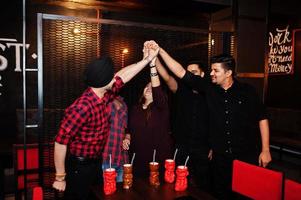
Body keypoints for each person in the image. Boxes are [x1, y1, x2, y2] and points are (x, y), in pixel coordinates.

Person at [152, 42, 272, 200]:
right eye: (211, 69)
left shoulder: (247, 91)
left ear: (228, 73)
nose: (212, 73)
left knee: (244, 194)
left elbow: (262, 118)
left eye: (216, 70)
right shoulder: (209, 88)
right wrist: (159, 50)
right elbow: (180, 71)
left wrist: (265, 149)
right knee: (219, 194)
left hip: (245, 155)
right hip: (219, 158)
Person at [52, 45, 159, 200]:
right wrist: (60, 177)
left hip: (96, 163)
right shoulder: (82, 107)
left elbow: (124, 76)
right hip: (79, 167)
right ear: (103, 80)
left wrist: (146, 60)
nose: (114, 77)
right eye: (111, 75)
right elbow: (60, 142)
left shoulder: (104, 95)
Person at [155, 58, 212, 190]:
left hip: (202, 149)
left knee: (202, 186)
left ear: (202, 74)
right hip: (182, 147)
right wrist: (155, 59)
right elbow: (167, 77)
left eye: (194, 72)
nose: (190, 76)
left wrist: (213, 145)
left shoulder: (211, 93)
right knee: (179, 184)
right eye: (188, 73)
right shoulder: (181, 89)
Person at [129, 41, 174, 178]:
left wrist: (152, 64)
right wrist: (126, 136)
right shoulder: (135, 109)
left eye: (151, 87)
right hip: (138, 158)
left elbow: (156, 88)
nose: (149, 89)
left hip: (157, 158)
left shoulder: (161, 107)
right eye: (146, 87)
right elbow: (130, 129)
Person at [102, 95, 131, 183]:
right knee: (108, 192)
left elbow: (126, 129)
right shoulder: (102, 100)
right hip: (107, 157)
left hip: (122, 158)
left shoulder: (124, 103)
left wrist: (127, 137)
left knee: (123, 193)